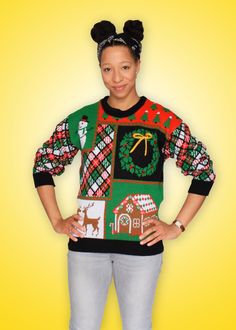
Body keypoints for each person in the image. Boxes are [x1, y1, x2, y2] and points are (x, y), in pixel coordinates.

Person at [32, 19, 216, 330]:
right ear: (100, 69)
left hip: (141, 251)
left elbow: (204, 169)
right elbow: (43, 164)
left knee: (136, 325)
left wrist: (177, 226)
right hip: (87, 248)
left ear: (138, 65)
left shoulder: (162, 120)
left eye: (125, 67)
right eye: (107, 69)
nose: (116, 78)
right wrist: (56, 220)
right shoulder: (83, 119)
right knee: (82, 325)